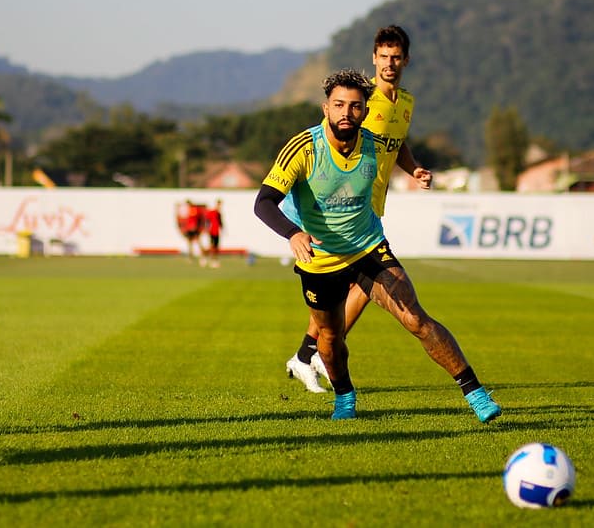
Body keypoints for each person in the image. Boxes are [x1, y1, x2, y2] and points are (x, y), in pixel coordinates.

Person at [254, 69, 501, 423]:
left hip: (368, 248)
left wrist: (414, 170)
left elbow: (398, 147)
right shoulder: (304, 148)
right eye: (339, 105)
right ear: (325, 108)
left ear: (366, 111)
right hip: (319, 262)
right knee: (329, 337)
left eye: (355, 107)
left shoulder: (373, 144)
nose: (346, 113)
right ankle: (344, 396)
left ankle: (475, 393)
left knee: (414, 316)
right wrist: (293, 233)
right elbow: (263, 202)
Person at [285, 25, 431, 393]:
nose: (389, 64)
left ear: (406, 60)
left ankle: (306, 356)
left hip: (371, 204)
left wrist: (413, 169)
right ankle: (313, 354)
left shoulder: (406, 102)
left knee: (344, 285)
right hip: (343, 207)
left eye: (396, 57)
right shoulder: (363, 101)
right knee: (360, 283)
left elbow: (398, 145)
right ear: (373, 59)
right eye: (383, 56)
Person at [201, 199, 224, 268]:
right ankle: (206, 258)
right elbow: (207, 221)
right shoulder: (212, 212)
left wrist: (222, 229)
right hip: (212, 231)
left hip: (217, 232)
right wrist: (206, 229)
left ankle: (213, 260)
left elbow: (220, 222)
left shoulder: (219, 213)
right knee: (212, 246)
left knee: (215, 247)